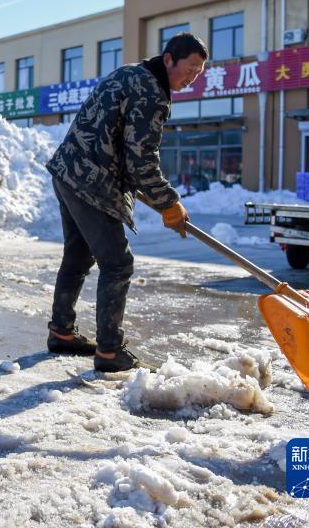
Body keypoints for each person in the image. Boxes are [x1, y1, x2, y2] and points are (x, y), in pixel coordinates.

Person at [44, 32, 207, 372]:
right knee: (117, 263)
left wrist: (159, 198)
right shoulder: (152, 92)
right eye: (190, 68)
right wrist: (168, 202)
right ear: (168, 60)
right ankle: (109, 351)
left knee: (78, 255)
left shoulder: (131, 73)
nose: (193, 78)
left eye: (199, 72)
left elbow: (122, 146)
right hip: (91, 181)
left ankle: (61, 331)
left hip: (68, 171)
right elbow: (141, 159)